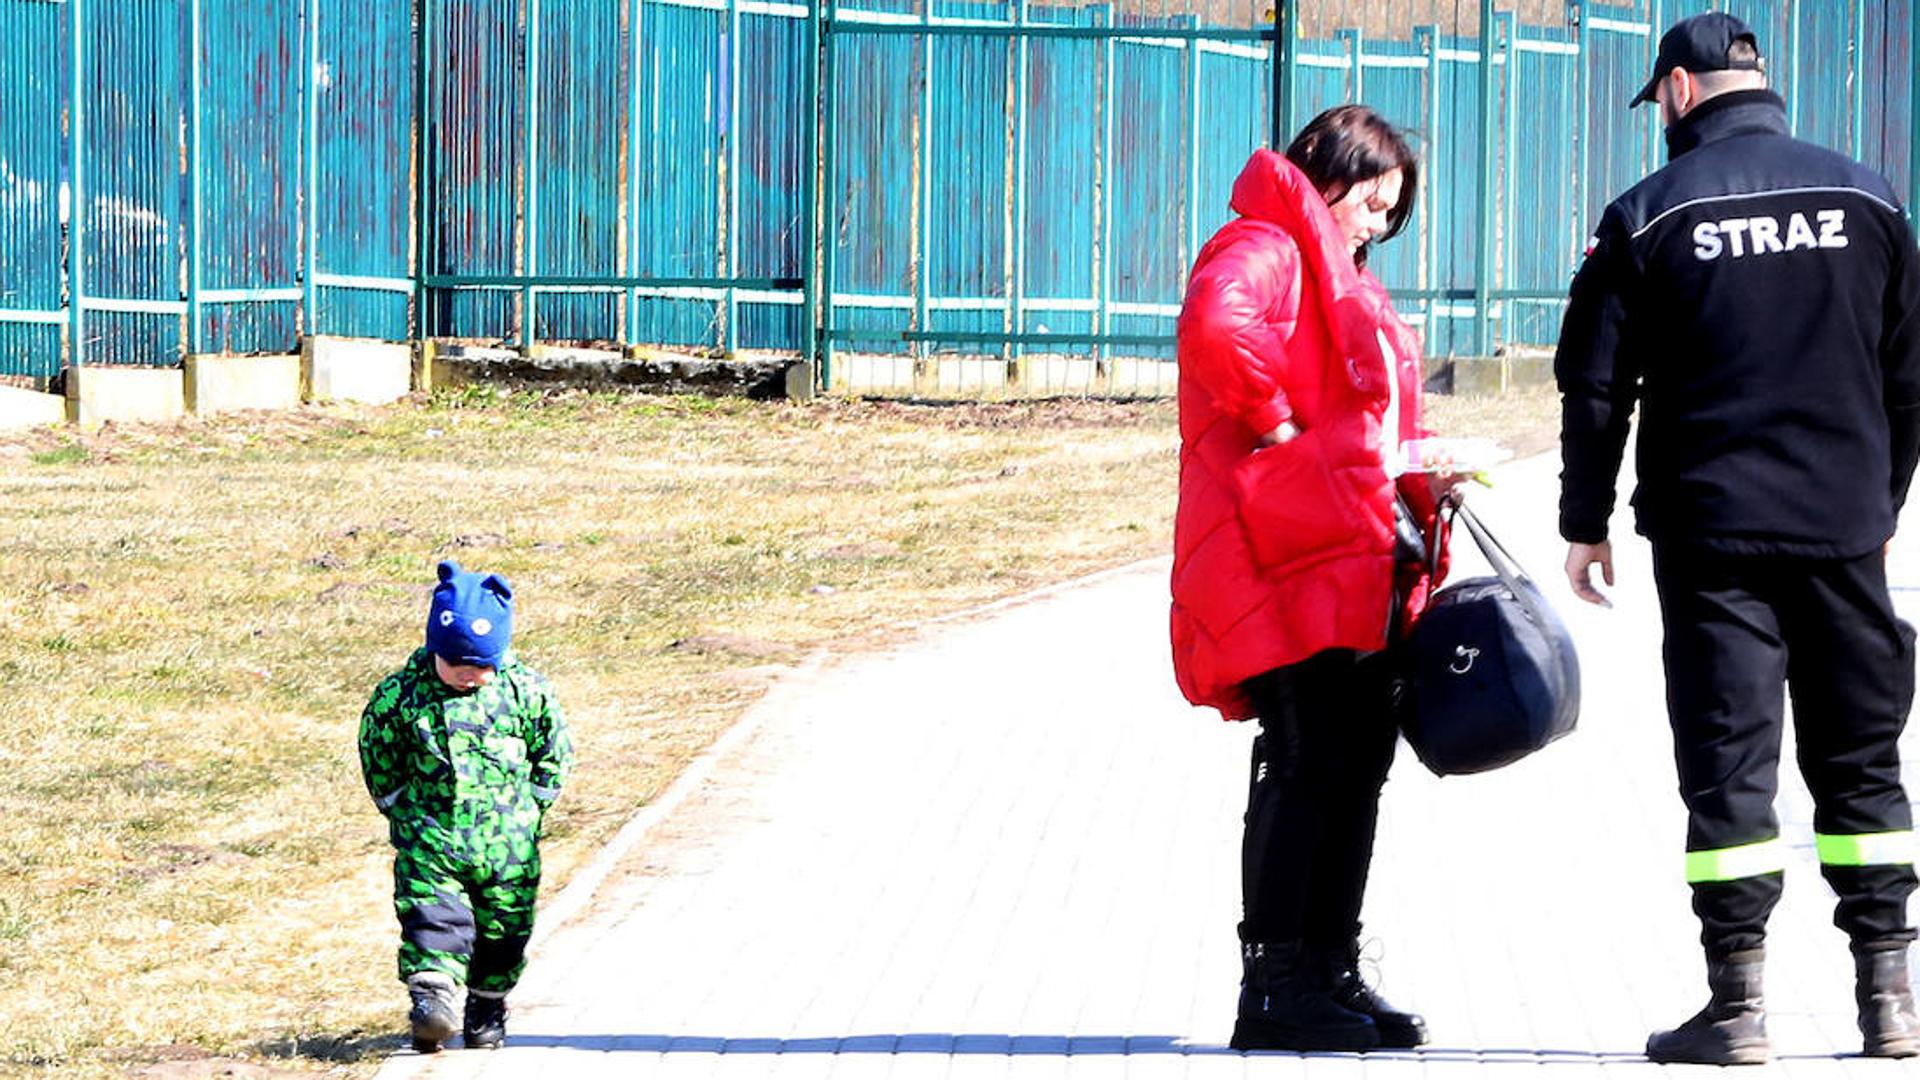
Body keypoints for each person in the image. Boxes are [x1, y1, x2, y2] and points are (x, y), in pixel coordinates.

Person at [1555, 12, 1920, 1065]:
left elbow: (1593, 387)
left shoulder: (1649, 214)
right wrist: (1878, 502)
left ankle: (1739, 1008)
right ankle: (1889, 1001)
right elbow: (1910, 377)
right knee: (1863, 763)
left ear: (1675, 90)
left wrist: (1584, 521)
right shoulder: (1867, 196)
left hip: (1713, 538)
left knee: (1730, 765)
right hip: (1844, 532)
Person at [1171, 104, 1457, 1053]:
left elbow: (1370, 415)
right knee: (1306, 765)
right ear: (1327, 172)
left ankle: (1331, 968)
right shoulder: (1263, 245)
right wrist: (1285, 432)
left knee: (1357, 765)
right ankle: (1277, 983)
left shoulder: (1342, 273)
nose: (1376, 225)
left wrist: (1423, 477)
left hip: (1349, 549)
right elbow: (1217, 324)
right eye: (1370, 203)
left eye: (1389, 212)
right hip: (1281, 552)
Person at [358, 560, 574, 1052]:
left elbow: (553, 749)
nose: (469, 676)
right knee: (433, 920)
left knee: (505, 930)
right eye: (458, 665)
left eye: (481, 666)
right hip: (431, 837)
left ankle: (486, 1007)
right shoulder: (402, 696)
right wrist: (398, 807)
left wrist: (534, 805)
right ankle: (432, 1001)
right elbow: (378, 751)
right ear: (436, 648)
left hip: (508, 847)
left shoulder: (526, 691)